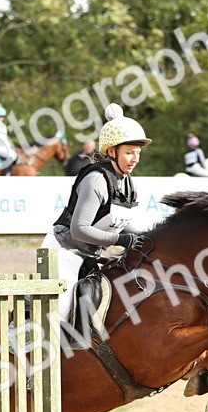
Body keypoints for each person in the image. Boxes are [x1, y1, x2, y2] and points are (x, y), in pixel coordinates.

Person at [44, 103, 149, 320]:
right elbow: (79, 229)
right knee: (60, 313)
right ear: (111, 151)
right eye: (129, 153)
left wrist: (144, 237)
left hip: (90, 256)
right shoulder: (96, 180)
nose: (135, 159)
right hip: (64, 253)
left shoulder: (128, 184)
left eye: (137, 153)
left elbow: (119, 223)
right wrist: (121, 240)